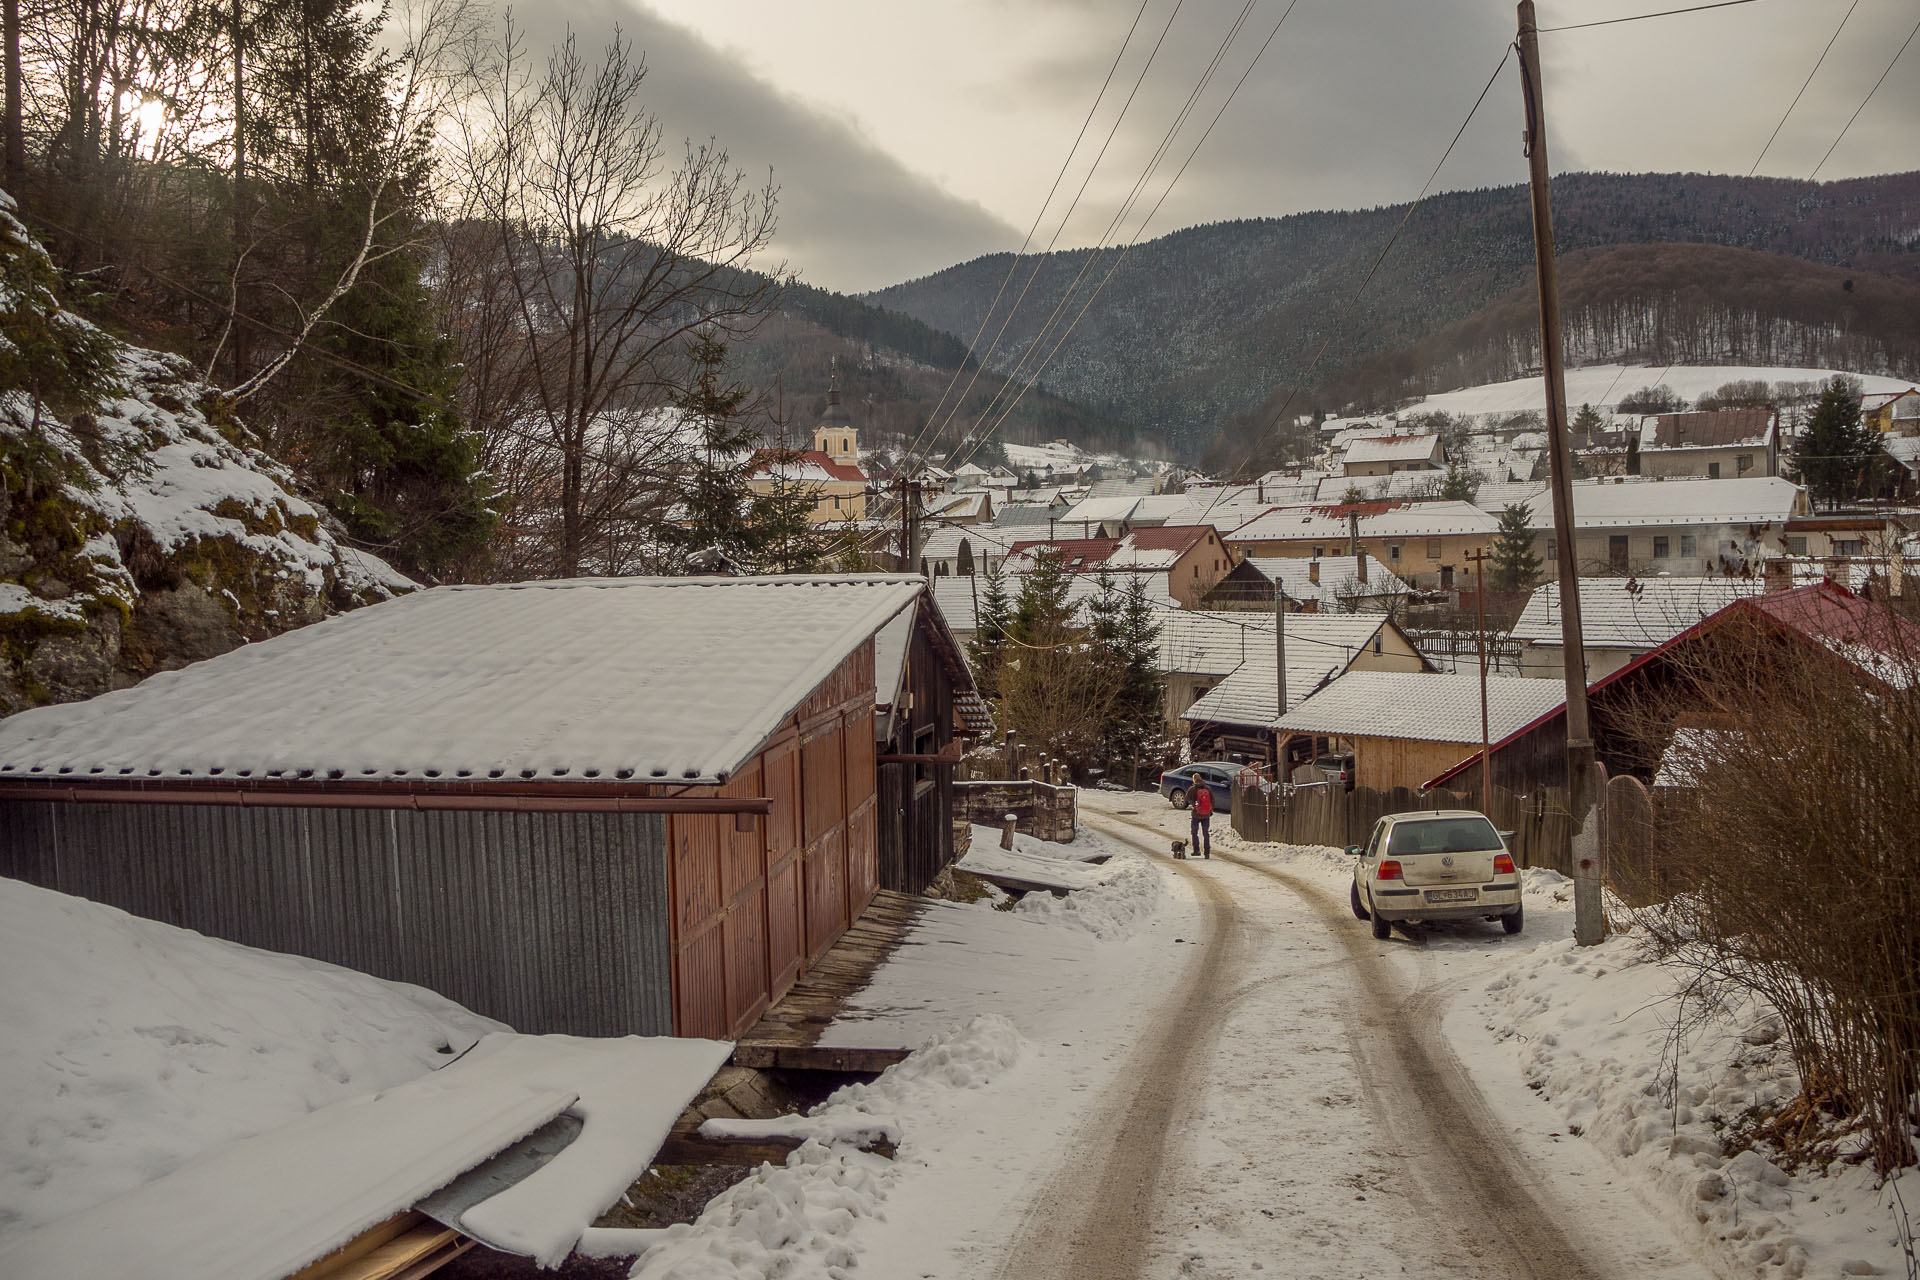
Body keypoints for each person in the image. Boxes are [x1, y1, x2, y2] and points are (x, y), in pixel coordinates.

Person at [1189, 780, 1214, 859]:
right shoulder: (1208, 788)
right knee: (1206, 833)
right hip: (1206, 815)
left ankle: (1196, 850)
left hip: (1196, 815)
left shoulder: (1192, 789)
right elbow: (1213, 800)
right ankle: (1207, 853)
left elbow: (1187, 798)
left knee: (1194, 832)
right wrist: (1209, 810)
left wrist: (1194, 805)